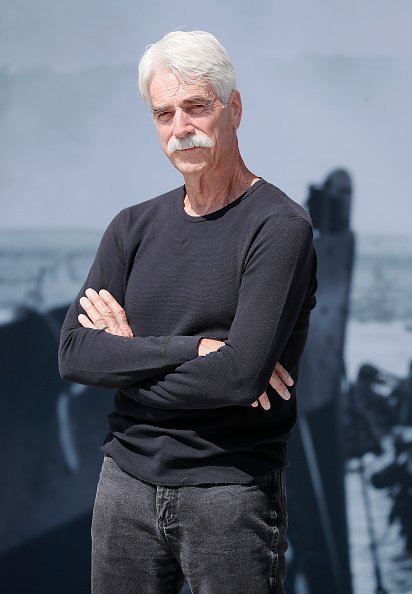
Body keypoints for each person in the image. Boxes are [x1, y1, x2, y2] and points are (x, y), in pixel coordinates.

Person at [58, 30, 317, 594]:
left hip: (229, 493)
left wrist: (126, 359)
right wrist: (187, 352)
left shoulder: (278, 229)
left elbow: (238, 376)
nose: (181, 128)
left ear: (234, 109)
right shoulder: (131, 227)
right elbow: (74, 354)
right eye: (164, 113)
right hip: (122, 486)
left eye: (197, 107)